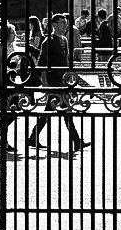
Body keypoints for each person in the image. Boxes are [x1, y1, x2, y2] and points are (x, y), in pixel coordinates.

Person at [24, 13, 86, 155]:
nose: (65, 26)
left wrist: (70, 78)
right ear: (54, 25)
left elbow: (66, 61)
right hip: (53, 81)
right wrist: (46, 84)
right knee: (65, 110)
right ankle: (77, 141)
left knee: (51, 111)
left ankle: (33, 137)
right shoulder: (48, 41)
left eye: (65, 23)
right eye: (62, 23)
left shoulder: (64, 39)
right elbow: (41, 64)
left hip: (62, 81)